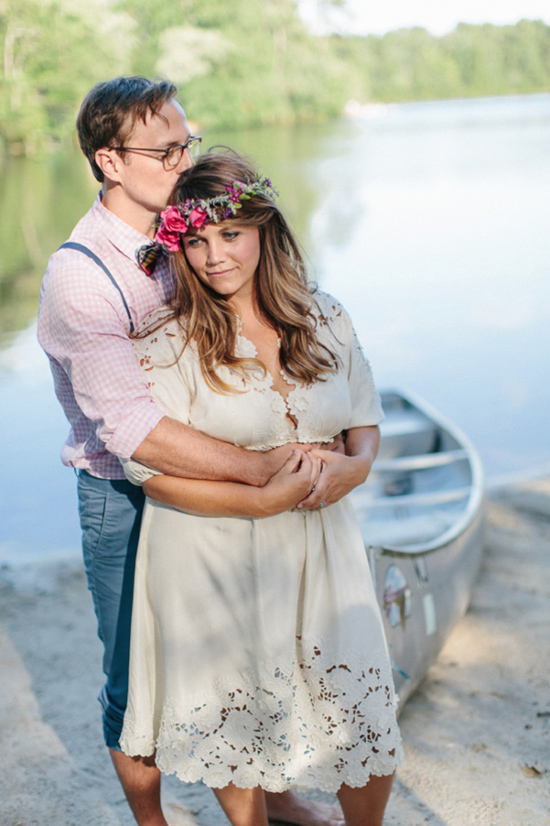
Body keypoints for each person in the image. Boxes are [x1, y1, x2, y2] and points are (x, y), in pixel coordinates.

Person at [38, 77, 345, 826]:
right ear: (110, 161)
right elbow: (134, 430)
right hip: (128, 497)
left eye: (188, 141)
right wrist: (260, 470)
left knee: (248, 645)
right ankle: (153, 822)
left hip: (232, 470)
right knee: (135, 674)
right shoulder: (80, 276)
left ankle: (276, 797)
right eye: (164, 148)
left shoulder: (197, 228)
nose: (183, 159)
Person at [119, 150, 403, 826]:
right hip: (212, 551)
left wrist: (353, 469)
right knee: (238, 724)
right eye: (196, 241)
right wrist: (259, 495)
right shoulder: (168, 340)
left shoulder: (325, 315)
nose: (215, 256)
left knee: (363, 719)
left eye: (230, 234)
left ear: (265, 229)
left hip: (323, 546)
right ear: (178, 248)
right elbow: (150, 471)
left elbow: (365, 421)